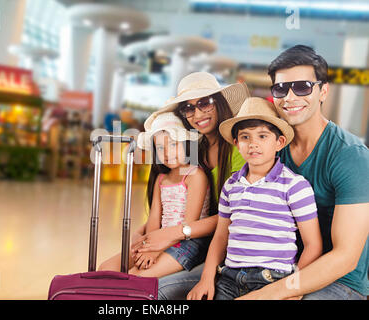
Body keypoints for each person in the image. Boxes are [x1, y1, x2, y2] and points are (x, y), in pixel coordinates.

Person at [236, 45, 368, 300]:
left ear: (323, 91)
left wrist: (270, 294)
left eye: (303, 87)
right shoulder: (270, 147)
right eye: (281, 88)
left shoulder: (350, 156)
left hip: (339, 282)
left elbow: (346, 257)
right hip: (271, 270)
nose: (290, 97)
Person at [187, 97, 323, 300]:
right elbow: (221, 237)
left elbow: (313, 245)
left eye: (262, 136)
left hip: (273, 280)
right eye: (245, 137)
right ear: (236, 143)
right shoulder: (231, 186)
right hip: (229, 278)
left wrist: (293, 287)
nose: (253, 144)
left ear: (279, 142)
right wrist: (206, 278)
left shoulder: (295, 186)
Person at [129, 72, 250, 299]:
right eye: (189, 108)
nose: (197, 114)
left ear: (220, 103)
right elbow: (174, 200)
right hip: (187, 236)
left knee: (145, 285)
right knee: (118, 270)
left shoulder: (238, 150)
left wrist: (175, 233)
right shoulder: (194, 150)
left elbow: (235, 214)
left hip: (221, 246)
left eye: (205, 103)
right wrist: (143, 233)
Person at [98, 112, 215, 277]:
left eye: (174, 145)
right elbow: (154, 218)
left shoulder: (195, 175)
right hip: (159, 238)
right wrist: (148, 245)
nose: (167, 153)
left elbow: (190, 223)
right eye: (160, 148)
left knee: (134, 275)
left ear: (187, 144)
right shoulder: (161, 179)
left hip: (186, 242)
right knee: (106, 268)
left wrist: (155, 249)